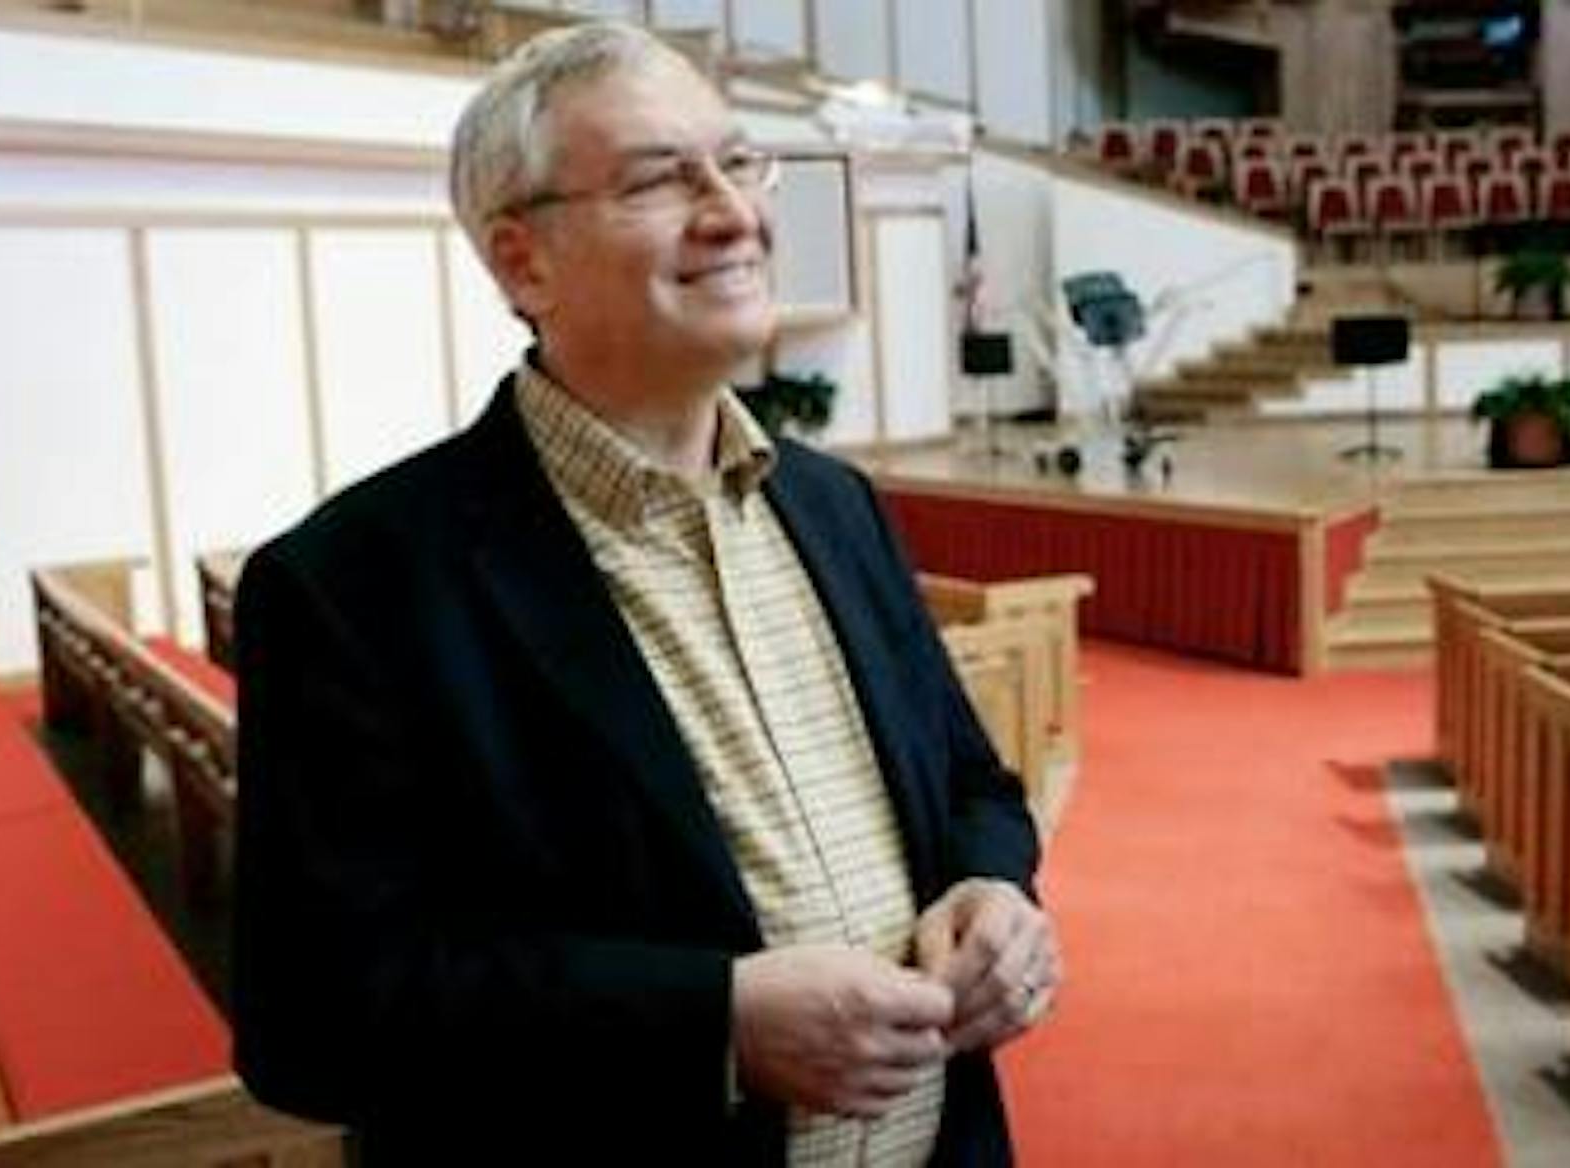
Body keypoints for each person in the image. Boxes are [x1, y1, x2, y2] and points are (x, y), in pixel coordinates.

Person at [231, 21, 1057, 1164]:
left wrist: (991, 886)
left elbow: (971, 782)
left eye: (738, 162)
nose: (733, 212)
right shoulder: (352, 584)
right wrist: (714, 1025)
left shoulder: (836, 505)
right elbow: (314, 1016)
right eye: (660, 180)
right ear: (523, 261)